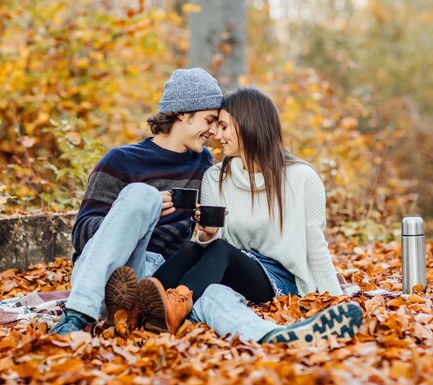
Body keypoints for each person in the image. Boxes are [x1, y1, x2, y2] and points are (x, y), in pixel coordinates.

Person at [116, 87, 362, 343]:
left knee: (220, 249)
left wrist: (336, 299)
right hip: (235, 266)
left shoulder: (301, 178)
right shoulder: (216, 177)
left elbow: (315, 244)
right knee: (193, 249)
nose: (216, 134)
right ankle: (138, 307)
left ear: (248, 124)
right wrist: (205, 235)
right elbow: (214, 244)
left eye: (223, 126)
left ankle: (166, 309)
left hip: (280, 278)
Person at [50, 68, 223, 335]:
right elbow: (82, 234)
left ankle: (125, 311)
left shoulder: (204, 163)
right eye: (209, 120)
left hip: (155, 280)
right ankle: (75, 316)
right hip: (102, 269)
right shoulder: (121, 160)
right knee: (142, 196)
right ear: (183, 113)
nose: (213, 131)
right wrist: (141, 215)